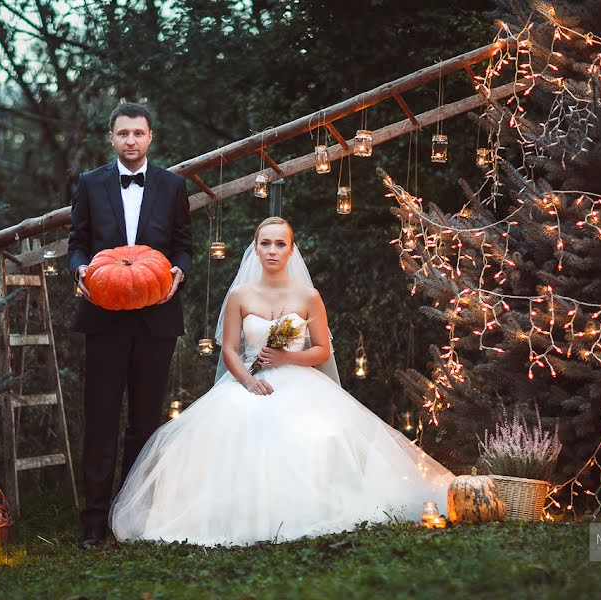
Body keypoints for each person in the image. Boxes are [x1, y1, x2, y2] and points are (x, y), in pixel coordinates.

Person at [109, 217, 456, 547]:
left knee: (317, 433)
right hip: (248, 379)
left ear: (291, 250)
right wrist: (246, 380)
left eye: (280, 244)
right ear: (255, 250)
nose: (272, 250)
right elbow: (230, 349)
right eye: (266, 244)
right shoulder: (240, 296)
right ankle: (235, 514)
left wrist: (287, 357)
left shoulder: (308, 297)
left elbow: (321, 351)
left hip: (299, 379)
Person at [67, 102, 193, 549]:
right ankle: (94, 523)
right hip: (103, 317)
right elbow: (77, 243)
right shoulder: (89, 184)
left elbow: (183, 245)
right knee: (100, 420)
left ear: (150, 137)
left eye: (138, 134)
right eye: (123, 134)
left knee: (145, 422)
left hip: (156, 319)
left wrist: (179, 270)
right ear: (112, 138)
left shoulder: (173, 186)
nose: (131, 141)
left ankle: (132, 515)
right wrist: (81, 270)